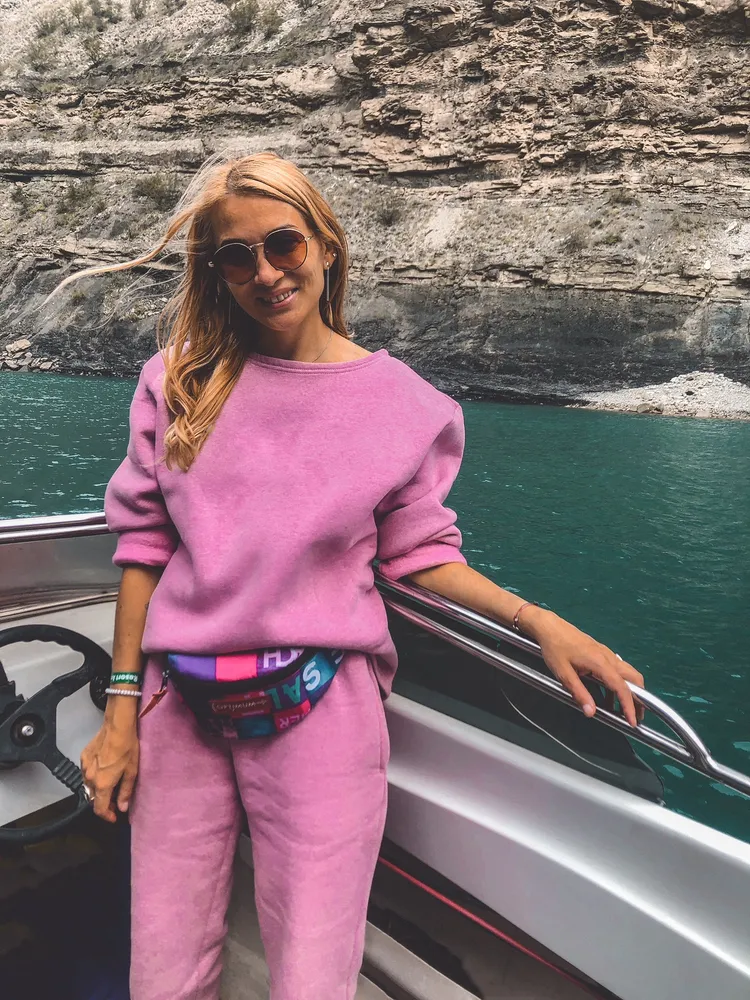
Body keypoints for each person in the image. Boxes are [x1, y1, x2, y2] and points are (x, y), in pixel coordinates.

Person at [77, 151, 644, 1000]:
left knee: (314, 969)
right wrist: (120, 715)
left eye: (284, 244)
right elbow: (144, 549)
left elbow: (421, 553)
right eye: (236, 255)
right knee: (162, 964)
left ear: (326, 244)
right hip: (177, 703)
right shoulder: (177, 382)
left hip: (322, 709)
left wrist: (535, 620)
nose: (266, 272)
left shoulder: (408, 406)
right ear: (217, 272)